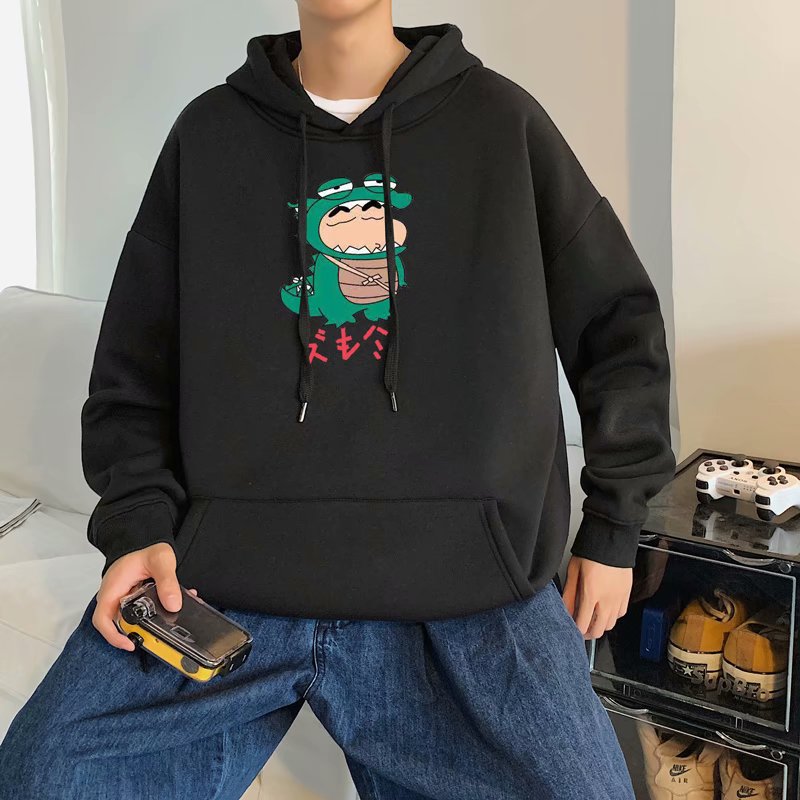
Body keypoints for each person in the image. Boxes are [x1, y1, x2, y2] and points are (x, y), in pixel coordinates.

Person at [0, 1, 676, 797]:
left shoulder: (503, 123)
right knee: (43, 773)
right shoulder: (208, 135)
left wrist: (614, 527)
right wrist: (136, 527)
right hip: (227, 589)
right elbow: (134, 368)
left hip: (468, 597)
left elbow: (618, 326)